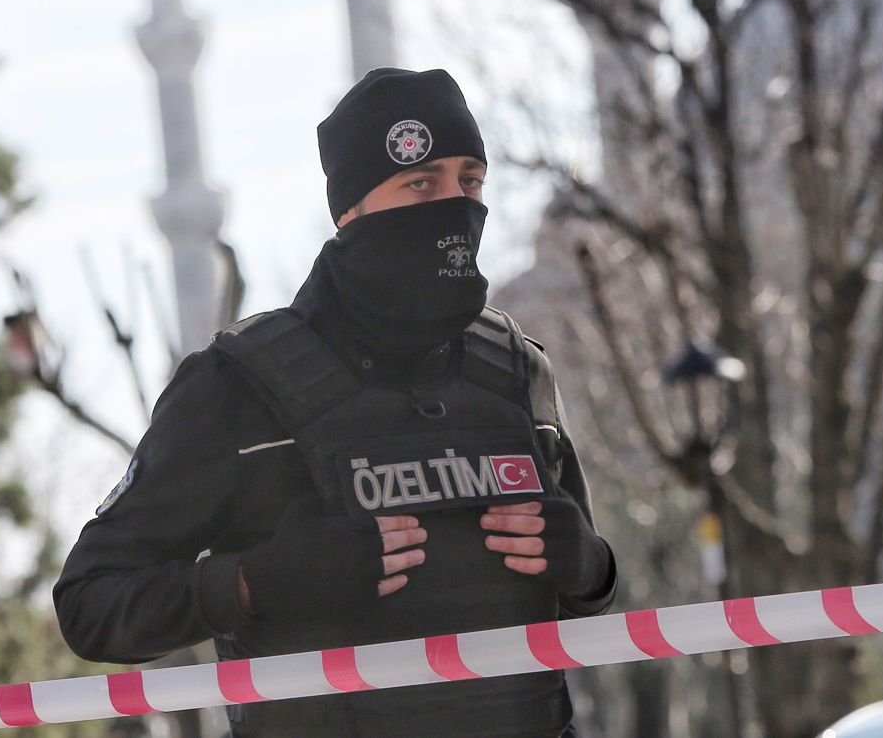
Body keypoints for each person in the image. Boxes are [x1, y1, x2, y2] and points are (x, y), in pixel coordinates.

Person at [55, 68, 616, 738]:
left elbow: (588, 594)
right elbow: (90, 604)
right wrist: (250, 584)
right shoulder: (236, 386)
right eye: (420, 183)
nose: (453, 206)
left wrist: (590, 567)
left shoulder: (516, 368)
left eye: (469, 182)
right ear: (350, 211)